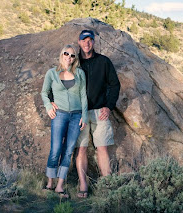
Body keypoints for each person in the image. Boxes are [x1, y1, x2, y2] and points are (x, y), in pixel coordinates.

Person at [52, 30, 121, 198]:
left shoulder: (104, 61)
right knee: (80, 150)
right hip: (78, 113)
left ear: (93, 42)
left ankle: (108, 186)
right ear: (79, 42)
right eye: (84, 40)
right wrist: (52, 101)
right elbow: (58, 81)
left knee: (102, 149)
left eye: (90, 40)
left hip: (99, 112)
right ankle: (83, 186)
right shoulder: (73, 62)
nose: (87, 43)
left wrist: (109, 106)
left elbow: (115, 84)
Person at [41, 44, 88, 198]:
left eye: (72, 55)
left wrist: (84, 116)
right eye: (66, 53)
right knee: (55, 149)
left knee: (68, 152)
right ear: (61, 55)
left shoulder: (80, 73)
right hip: (59, 115)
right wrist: (48, 105)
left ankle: (60, 186)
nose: (69, 57)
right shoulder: (52, 73)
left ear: (75, 59)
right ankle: (50, 183)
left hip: (76, 116)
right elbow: (44, 92)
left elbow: (83, 96)